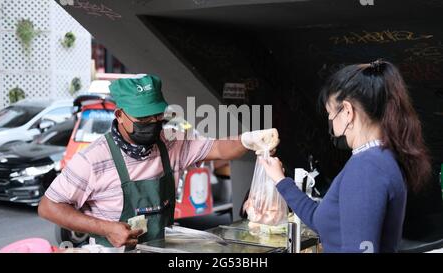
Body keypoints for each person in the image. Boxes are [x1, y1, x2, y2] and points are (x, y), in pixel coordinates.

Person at [38, 74, 279, 248]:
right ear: (120, 115)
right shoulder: (93, 159)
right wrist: (106, 228)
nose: (153, 123)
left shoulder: (171, 143)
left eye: (157, 116)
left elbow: (218, 148)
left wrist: (249, 139)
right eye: (143, 119)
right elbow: (48, 207)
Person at [260, 60, 431, 253]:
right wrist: (280, 180)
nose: (330, 123)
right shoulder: (378, 158)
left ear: (348, 111)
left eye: (330, 114)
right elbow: (320, 218)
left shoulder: (366, 169)